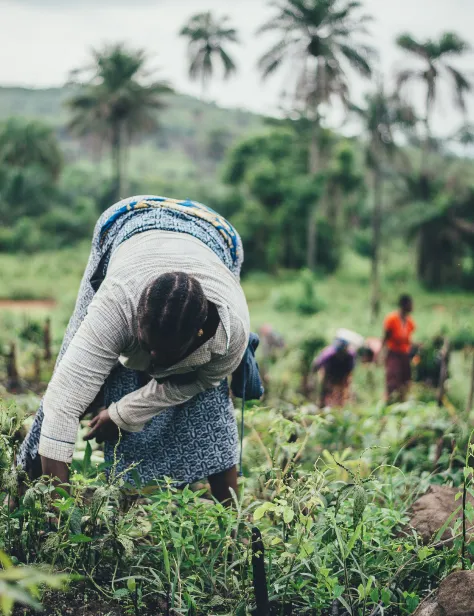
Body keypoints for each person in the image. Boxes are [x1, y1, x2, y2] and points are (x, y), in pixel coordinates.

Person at [17, 195, 251, 504]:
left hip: (217, 234)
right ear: (135, 318)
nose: (152, 360)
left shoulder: (230, 333)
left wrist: (123, 414)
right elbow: (64, 401)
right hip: (129, 222)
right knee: (70, 371)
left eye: (162, 353)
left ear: (198, 334)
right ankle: (25, 486)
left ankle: (232, 523)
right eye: (146, 345)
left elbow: (197, 382)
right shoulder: (116, 304)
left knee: (209, 403)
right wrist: (59, 511)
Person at [382, 294, 416, 402]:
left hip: (404, 354)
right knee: (392, 378)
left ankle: (402, 401)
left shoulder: (410, 322)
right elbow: (385, 337)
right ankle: (389, 400)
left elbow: (408, 339)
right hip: (393, 352)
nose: (412, 306)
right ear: (404, 304)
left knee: (405, 379)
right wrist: (381, 353)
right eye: (410, 304)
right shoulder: (392, 319)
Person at [311, 338, 356, 408]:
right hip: (329, 373)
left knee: (342, 392)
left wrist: (346, 381)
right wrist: (313, 376)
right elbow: (317, 364)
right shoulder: (328, 354)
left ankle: (341, 406)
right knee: (325, 389)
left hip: (342, 373)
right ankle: (322, 405)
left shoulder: (350, 354)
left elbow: (350, 369)